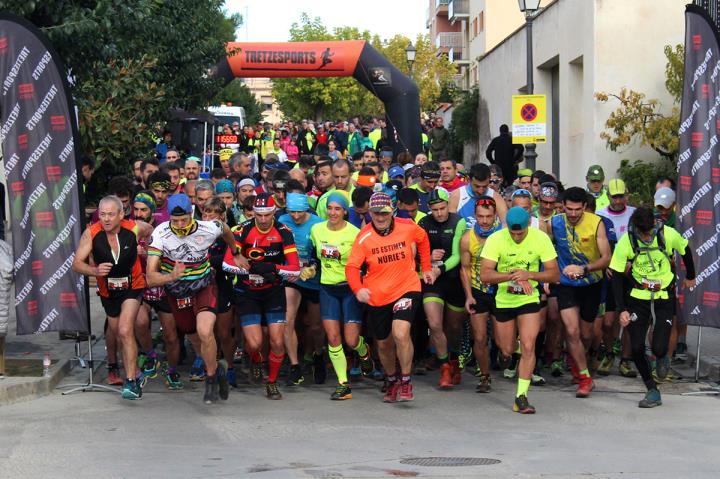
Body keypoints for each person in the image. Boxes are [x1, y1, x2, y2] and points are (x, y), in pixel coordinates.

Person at [146, 193, 246, 404]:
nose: (180, 225)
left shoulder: (207, 228)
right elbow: (150, 277)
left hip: (203, 285)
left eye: (184, 220)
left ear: (192, 215)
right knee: (195, 338)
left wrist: (236, 252)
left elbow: (226, 230)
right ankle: (217, 368)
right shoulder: (161, 233)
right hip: (177, 291)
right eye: (175, 221)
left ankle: (210, 378)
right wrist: (170, 276)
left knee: (205, 331)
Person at [346, 192, 434, 403]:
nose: (381, 217)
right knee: (384, 344)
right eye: (376, 213)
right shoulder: (364, 236)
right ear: (370, 213)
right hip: (377, 295)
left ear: (392, 211)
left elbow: (423, 240)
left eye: (385, 212)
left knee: (401, 333)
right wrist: (358, 289)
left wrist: (427, 267)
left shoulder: (408, 226)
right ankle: (392, 378)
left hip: (407, 287)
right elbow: (351, 267)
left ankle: (405, 380)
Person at [610, 207, 696, 408]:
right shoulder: (628, 240)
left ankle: (662, 359)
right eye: (643, 233)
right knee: (637, 347)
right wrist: (621, 309)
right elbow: (615, 274)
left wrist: (691, 276)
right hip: (637, 297)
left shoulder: (667, 234)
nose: (647, 237)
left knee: (659, 347)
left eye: (649, 231)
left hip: (663, 297)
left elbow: (686, 250)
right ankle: (652, 389)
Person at [72, 196, 153, 400]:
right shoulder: (91, 233)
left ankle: (132, 380)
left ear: (121, 214)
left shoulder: (134, 228)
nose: (106, 219)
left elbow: (152, 233)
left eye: (110, 214)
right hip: (108, 291)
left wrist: (148, 251)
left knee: (126, 330)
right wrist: (94, 270)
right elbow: (76, 264)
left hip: (133, 286)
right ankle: (135, 368)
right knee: (119, 334)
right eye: (103, 214)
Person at [480, 207, 559, 413]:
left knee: (529, 345)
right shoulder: (496, 239)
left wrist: (530, 274)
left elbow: (554, 274)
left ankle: (521, 397)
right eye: (513, 233)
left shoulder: (540, 238)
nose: (516, 237)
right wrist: (512, 276)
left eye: (520, 233)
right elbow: (485, 275)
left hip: (528, 298)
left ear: (528, 227)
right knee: (505, 349)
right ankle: (511, 354)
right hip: (504, 299)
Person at [223, 193, 300, 400]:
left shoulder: (284, 231)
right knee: (255, 344)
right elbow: (227, 264)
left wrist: (273, 268)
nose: (263, 219)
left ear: (274, 212)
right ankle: (255, 358)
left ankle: (272, 382)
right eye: (259, 215)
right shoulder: (242, 230)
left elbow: (294, 270)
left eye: (267, 215)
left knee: (276, 341)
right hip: (247, 292)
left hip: (273, 291)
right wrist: (253, 270)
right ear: (253, 213)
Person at [310, 192, 374, 400]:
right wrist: (310, 267)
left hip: (349, 289)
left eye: (338, 209)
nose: (333, 212)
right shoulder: (317, 230)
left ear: (345, 211)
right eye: (330, 208)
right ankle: (342, 384)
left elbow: (365, 263)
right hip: (327, 288)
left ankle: (364, 351)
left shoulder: (355, 233)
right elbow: (314, 256)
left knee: (351, 339)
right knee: (333, 337)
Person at [548, 187, 611, 398]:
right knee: (572, 330)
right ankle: (585, 377)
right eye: (569, 209)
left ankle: (577, 360)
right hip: (566, 284)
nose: (573, 214)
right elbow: (546, 251)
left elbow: (606, 258)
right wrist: (548, 275)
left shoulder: (596, 223)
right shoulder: (555, 223)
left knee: (586, 334)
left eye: (578, 210)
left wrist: (584, 269)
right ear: (562, 206)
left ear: (585, 207)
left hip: (591, 283)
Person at [418, 189, 467, 389]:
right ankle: (444, 366)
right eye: (434, 209)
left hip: (454, 279)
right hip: (433, 281)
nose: (439, 213)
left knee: (453, 328)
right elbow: (418, 256)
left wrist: (441, 268)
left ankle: (454, 359)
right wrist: (429, 259)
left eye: (442, 208)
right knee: (435, 324)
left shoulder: (458, 222)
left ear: (448, 205)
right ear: (429, 209)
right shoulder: (423, 224)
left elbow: (456, 255)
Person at [278, 192, 324, 386]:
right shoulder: (282, 220)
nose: (295, 216)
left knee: (315, 326)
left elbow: (324, 251)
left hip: (314, 277)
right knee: (288, 320)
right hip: (292, 277)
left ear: (307, 209)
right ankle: (295, 366)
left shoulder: (318, 223)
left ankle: (319, 356)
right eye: (292, 212)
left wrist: (313, 266)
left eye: (300, 212)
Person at [460, 197, 502, 393]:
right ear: (474, 216)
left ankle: (505, 354)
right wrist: (469, 295)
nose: (485, 221)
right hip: (478, 290)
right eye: (480, 217)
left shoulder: (503, 236)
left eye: (488, 217)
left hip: (500, 290)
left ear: (495, 217)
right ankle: (484, 376)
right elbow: (465, 269)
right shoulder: (468, 238)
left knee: (502, 342)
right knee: (479, 337)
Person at [450, 163, 508, 228]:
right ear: (469, 180)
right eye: (477, 186)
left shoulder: (496, 197)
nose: (481, 191)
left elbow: (505, 224)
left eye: (484, 186)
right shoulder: (457, 196)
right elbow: (450, 226)